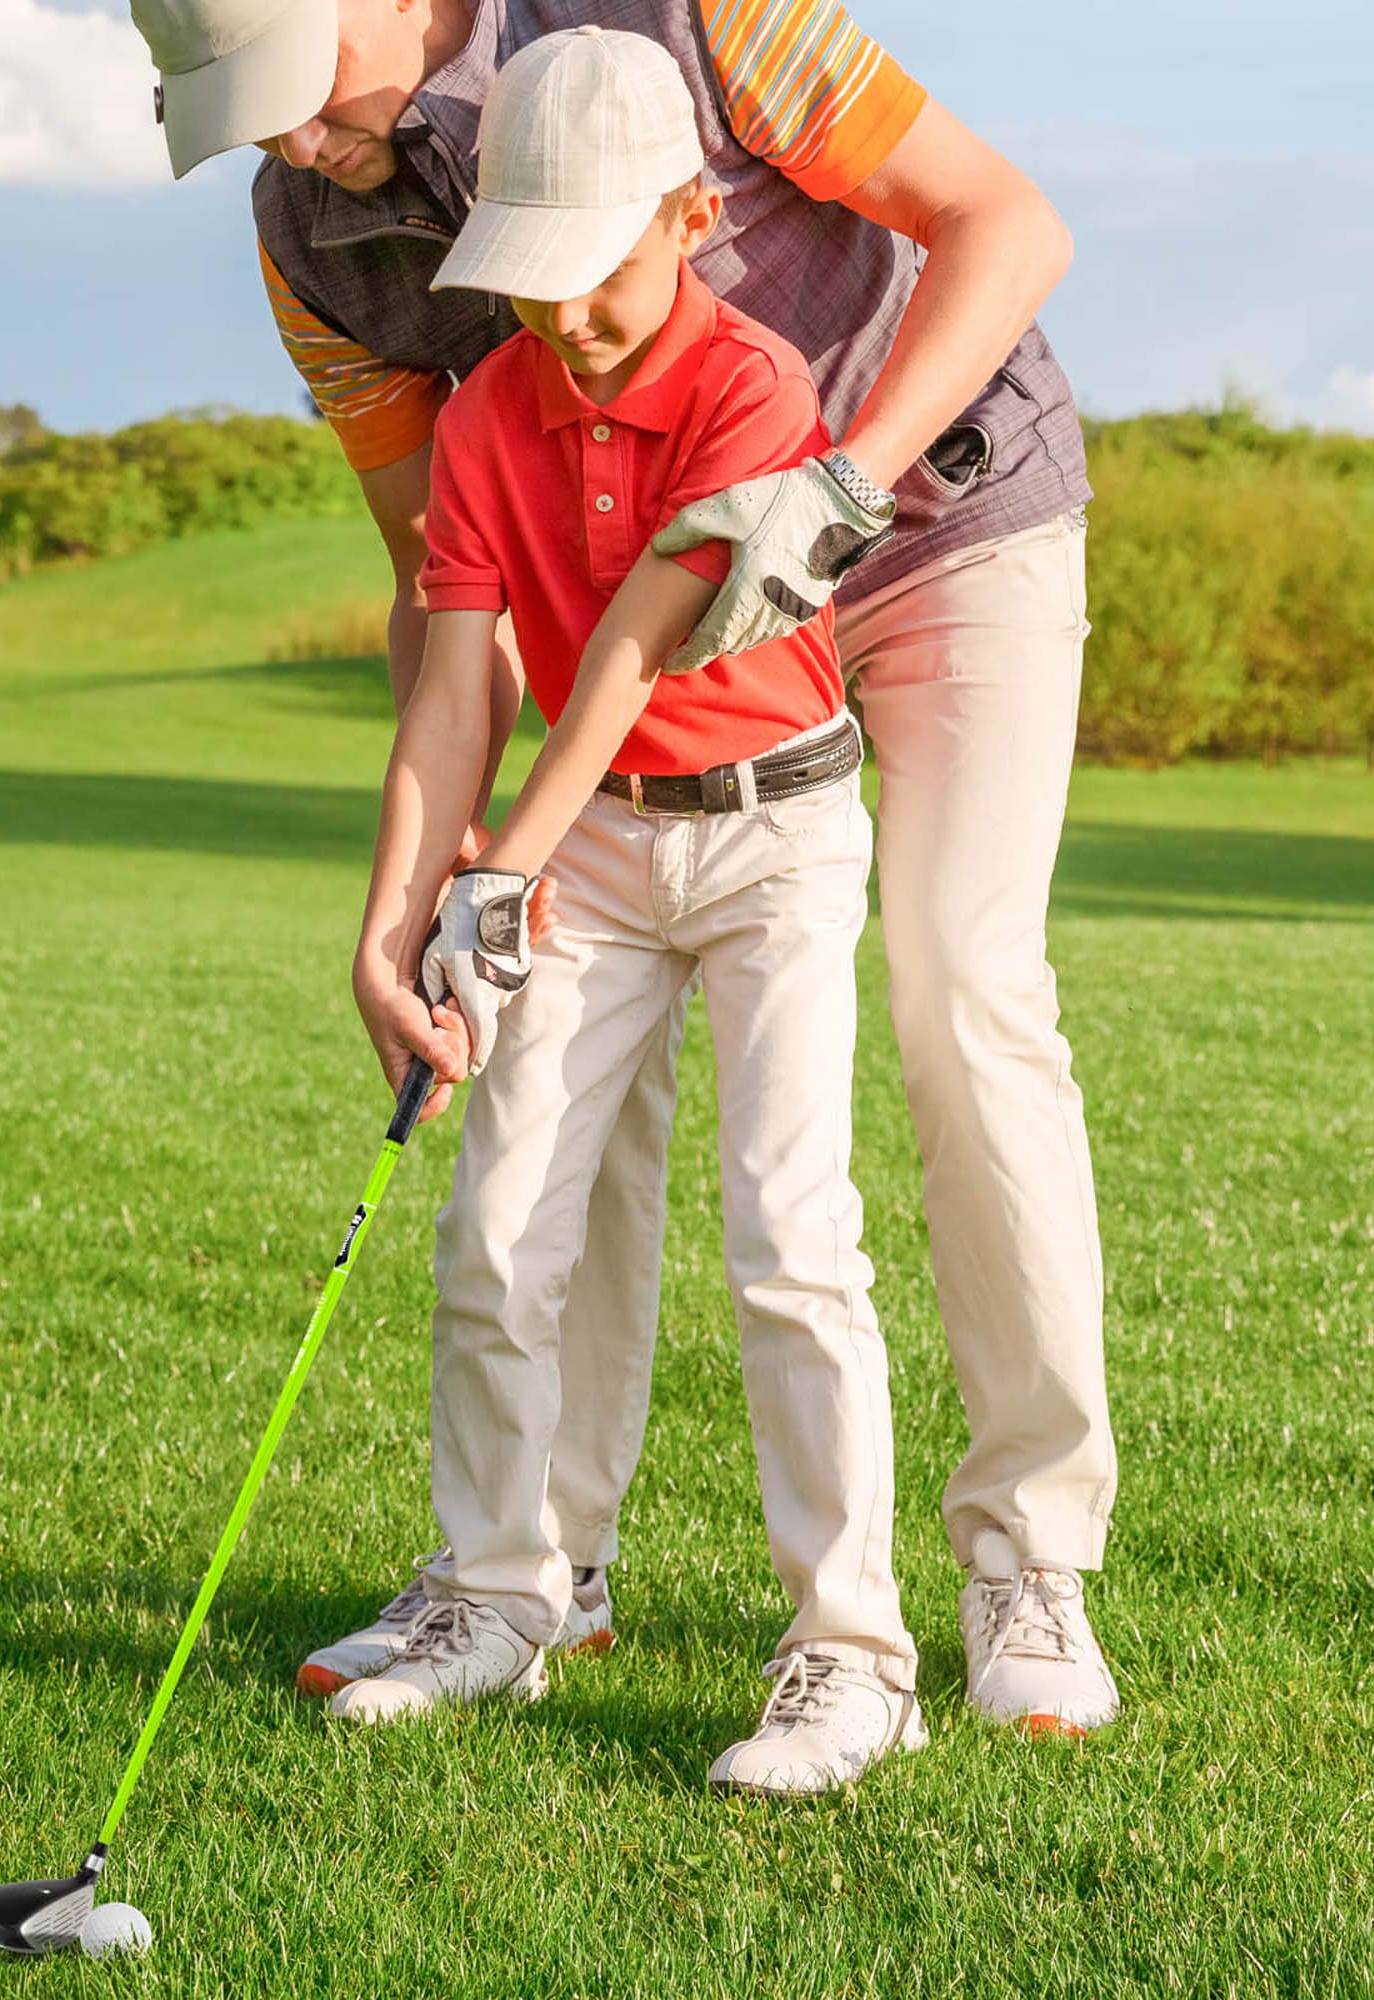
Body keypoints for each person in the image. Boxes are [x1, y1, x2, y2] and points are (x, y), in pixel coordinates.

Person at [132, 0, 1120, 1735]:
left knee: (963, 992)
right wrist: (434, 899)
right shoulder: (312, 229)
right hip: (638, 672)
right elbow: (452, 592)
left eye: (290, 93)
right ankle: (538, 1567)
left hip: (936, 510)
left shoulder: (694, 20)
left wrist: (840, 482)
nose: (287, 146)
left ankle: (1023, 1554)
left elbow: (1007, 224)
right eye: (241, 122)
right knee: (556, 1115)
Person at [333, 27, 921, 1792]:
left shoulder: (756, 388)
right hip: (588, 855)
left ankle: (849, 1648)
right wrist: (396, 917)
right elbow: (458, 686)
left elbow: (620, 659)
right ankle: (508, 1594)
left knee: (789, 1237)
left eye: (595, 274)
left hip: (776, 837)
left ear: (687, 216)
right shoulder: (491, 414)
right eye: (532, 279)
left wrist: (498, 866)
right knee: (500, 1229)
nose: (565, 318)